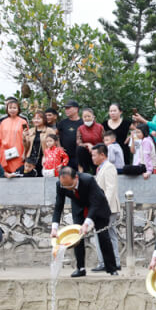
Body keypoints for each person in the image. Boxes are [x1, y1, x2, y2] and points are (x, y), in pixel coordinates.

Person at [50, 167, 118, 277]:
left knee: (103, 237)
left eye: (70, 186)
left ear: (76, 177)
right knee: (77, 237)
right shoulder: (60, 184)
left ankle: (111, 268)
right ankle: (80, 268)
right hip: (79, 208)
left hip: (98, 208)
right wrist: (54, 228)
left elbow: (95, 203)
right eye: (65, 186)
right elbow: (58, 206)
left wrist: (87, 223)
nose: (68, 188)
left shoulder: (88, 180)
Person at [91, 144, 121, 272]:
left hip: (108, 208)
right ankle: (114, 261)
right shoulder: (101, 168)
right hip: (106, 207)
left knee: (101, 234)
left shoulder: (108, 167)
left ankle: (105, 262)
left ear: (102, 155)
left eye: (94, 155)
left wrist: (104, 207)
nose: (92, 158)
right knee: (109, 234)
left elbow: (110, 188)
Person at [0, 100, 28, 175]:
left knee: (17, 172)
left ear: (18, 109)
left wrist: (25, 152)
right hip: (5, 151)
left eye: (15, 108)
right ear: (7, 109)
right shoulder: (3, 122)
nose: (12, 110)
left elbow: (26, 136)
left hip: (18, 151)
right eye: (10, 108)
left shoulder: (23, 122)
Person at [76, 108, 106, 174]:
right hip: (87, 152)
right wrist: (87, 144)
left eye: (89, 116)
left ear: (93, 117)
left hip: (98, 151)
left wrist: (95, 148)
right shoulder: (80, 128)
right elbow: (79, 142)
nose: (87, 118)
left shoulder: (100, 127)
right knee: (79, 149)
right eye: (85, 117)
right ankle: (84, 171)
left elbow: (105, 141)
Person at [58, 100, 84, 170]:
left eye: (69, 108)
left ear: (76, 109)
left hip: (80, 156)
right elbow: (55, 135)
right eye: (66, 108)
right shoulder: (62, 123)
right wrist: (59, 146)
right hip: (65, 156)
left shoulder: (83, 122)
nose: (66, 110)